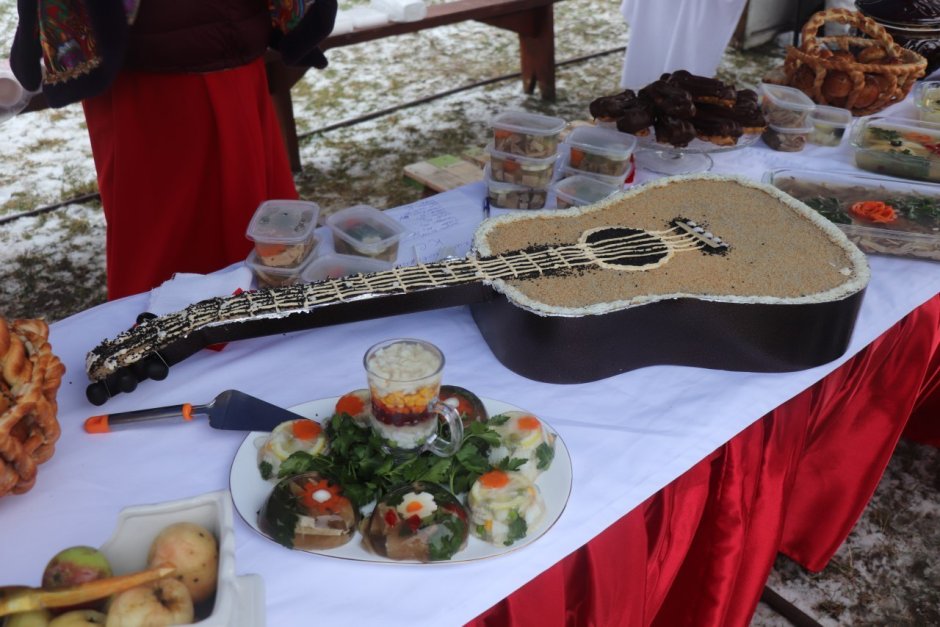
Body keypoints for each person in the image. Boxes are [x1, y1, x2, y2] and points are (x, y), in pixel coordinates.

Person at [9, 0, 337, 300]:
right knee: (167, 256)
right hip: (150, 79)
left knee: (260, 238)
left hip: (227, 50)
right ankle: (161, 341)